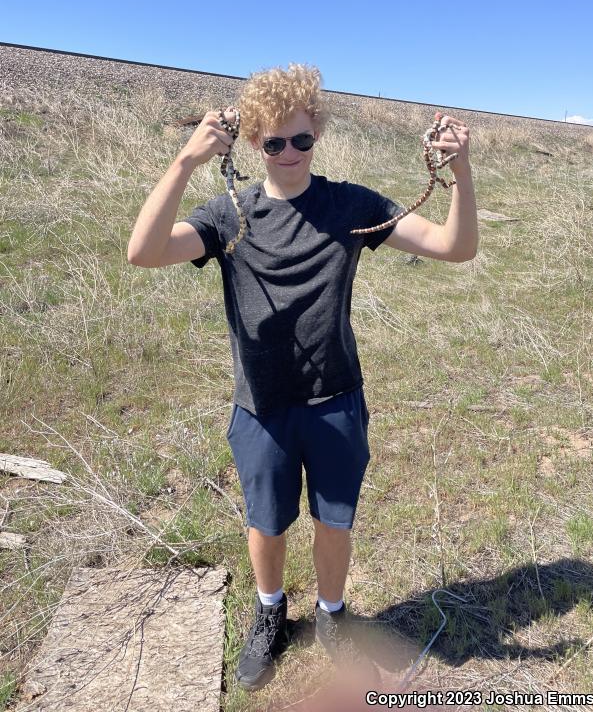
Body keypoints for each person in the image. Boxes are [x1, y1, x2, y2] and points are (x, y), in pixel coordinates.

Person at [127, 63, 477, 692]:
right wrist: (183, 162)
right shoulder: (230, 213)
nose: (289, 153)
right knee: (266, 522)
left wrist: (461, 173)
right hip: (260, 405)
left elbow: (455, 246)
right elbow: (143, 250)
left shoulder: (349, 206)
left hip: (337, 397)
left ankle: (333, 614)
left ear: (318, 133)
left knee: (334, 520)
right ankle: (270, 613)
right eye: (274, 142)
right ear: (254, 142)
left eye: (302, 139)